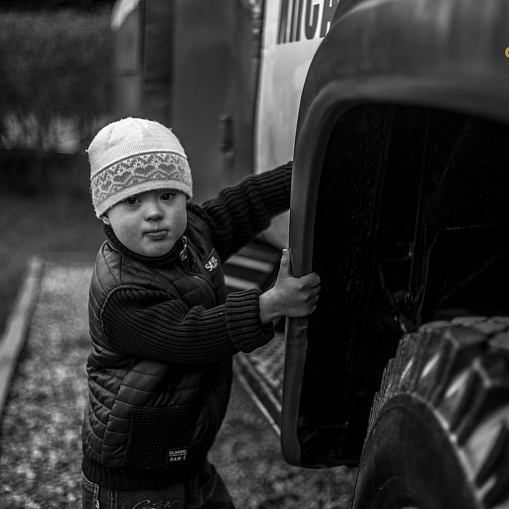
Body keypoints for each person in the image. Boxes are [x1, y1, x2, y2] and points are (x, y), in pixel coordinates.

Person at [81, 117, 320, 509]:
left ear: (185, 198)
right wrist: (270, 304)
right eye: (133, 201)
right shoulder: (120, 293)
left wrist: (310, 171)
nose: (155, 213)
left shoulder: (192, 233)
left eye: (168, 196)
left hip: (182, 451)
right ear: (105, 212)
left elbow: (247, 203)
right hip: (133, 478)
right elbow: (190, 335)